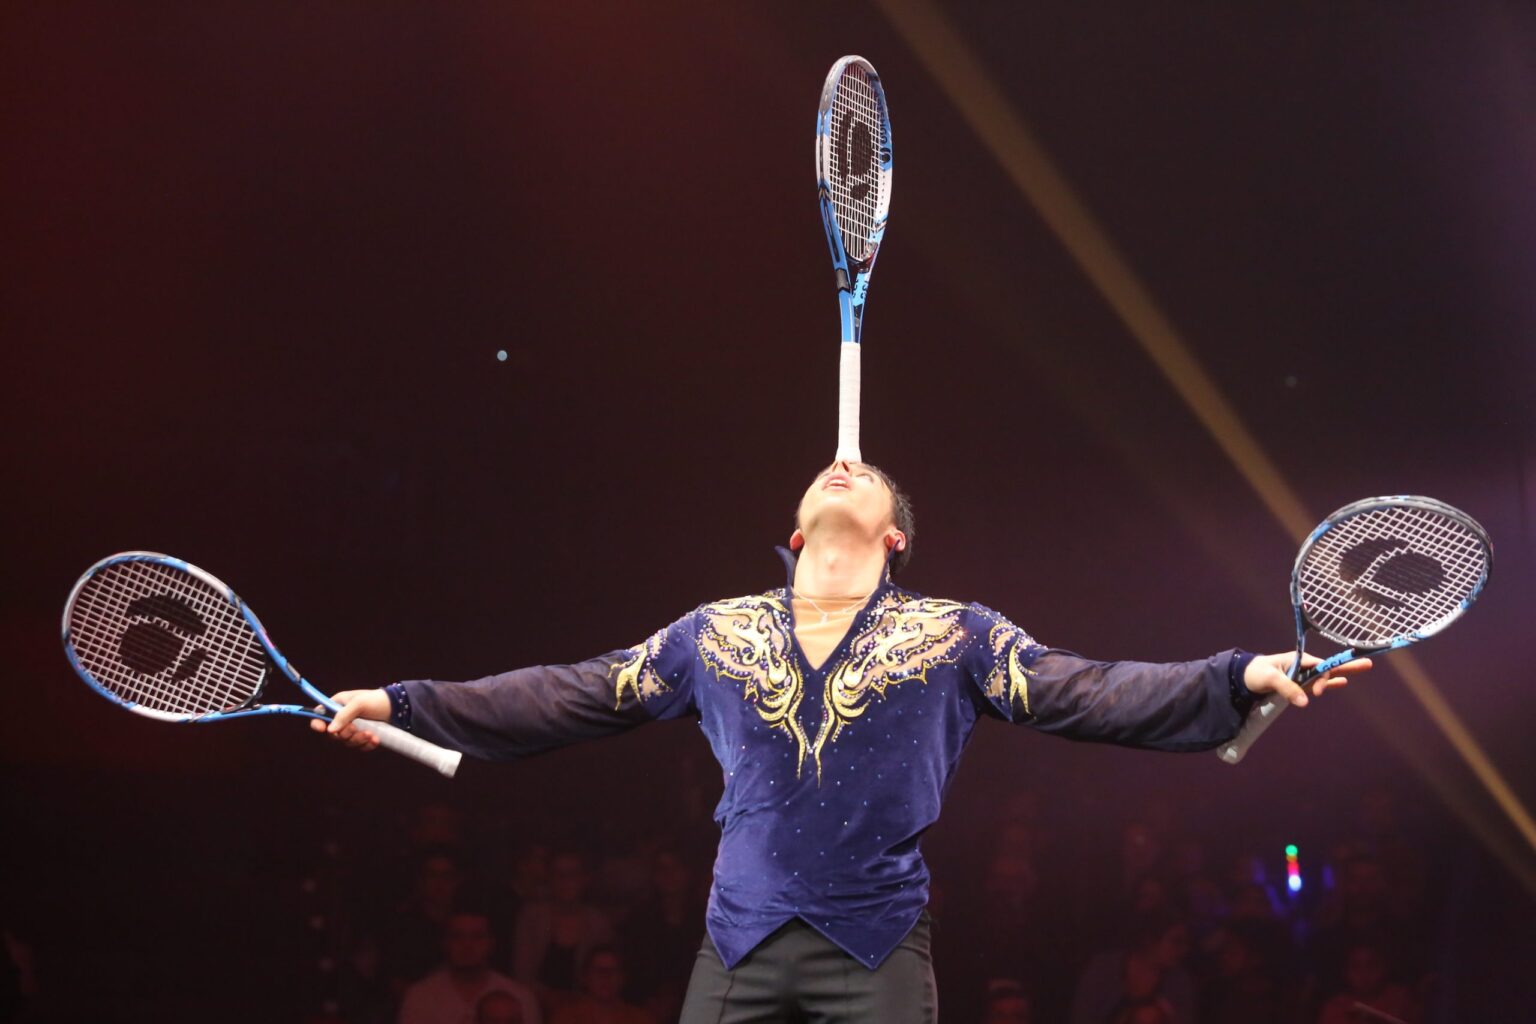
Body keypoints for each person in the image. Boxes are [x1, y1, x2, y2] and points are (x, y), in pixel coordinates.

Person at [318, 461, 1368, 1023]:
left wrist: (1237, 675)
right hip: (737, 940)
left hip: (877, 947)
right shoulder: (713, 632)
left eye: (867, 475)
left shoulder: (955, 633)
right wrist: (404, 706)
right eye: (827, 469)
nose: (843, 463)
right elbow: (569, 693)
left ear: (894, 535)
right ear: (795, 528)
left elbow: (1086, 690)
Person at [397, 910, 541, 1024]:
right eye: (457, 937)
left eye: (477, 937)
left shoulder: (521, 997)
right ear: (445, 943)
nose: (467, 946)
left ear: (491, 943)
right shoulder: (420, 997)